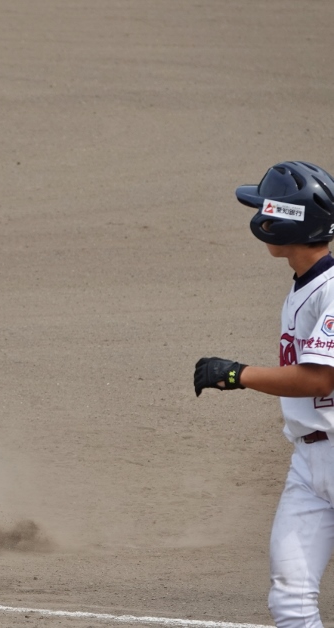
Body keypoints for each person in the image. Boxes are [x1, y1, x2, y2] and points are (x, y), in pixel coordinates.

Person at [194, 161, 334, 628]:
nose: (260, 218)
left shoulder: (332, 291)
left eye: (268, 210)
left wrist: (238, 375)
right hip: (309, 464)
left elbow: (320, 379)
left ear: (289, 222)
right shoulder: (306, 284)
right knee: (290, 600)